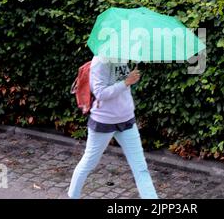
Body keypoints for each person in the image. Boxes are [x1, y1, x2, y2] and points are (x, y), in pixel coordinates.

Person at [67, 56, 158, 199]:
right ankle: (73, 196)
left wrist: (128, 81)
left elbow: (121, 87)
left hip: (126, 119)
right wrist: (126, 82)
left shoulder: (122, 58)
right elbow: (100, 93)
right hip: (104, 121)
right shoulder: (100, 61)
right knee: (89, 163)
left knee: (141, 167)